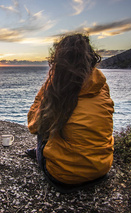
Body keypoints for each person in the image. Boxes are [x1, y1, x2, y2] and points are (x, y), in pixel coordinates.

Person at [27, 34, 114, 193]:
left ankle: (41, 153)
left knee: (45, 127)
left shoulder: (58, 91)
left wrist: (47, 88)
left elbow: (33, 125)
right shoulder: (101, 86)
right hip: (102, 170)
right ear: (90, 58)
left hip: (63, 178)